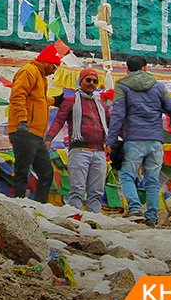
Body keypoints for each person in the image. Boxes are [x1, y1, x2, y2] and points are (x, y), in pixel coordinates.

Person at [106, 55, 171, 227]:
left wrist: (111, 140)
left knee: (127, 175)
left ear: (127, 69)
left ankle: (134, 209)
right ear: (146, 68)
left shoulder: (122, 86)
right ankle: (152, 216)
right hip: (155, 140)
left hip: (133, 139)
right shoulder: (158, 86)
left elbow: (118, 115)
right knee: (152, 180)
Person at [45, 67, 110, 213]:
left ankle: (94, 218)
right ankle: (75, 217)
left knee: (97, 191)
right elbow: (59, 121)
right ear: (80, 81)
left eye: (95, 81)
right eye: (88, 80)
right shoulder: (70, 101)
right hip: (79, 151)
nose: (91, 83)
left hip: (99, 152)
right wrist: (49, 138)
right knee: (77, 189)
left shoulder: (101, 105)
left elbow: (112, 125)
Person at [8, 43, 63, 202]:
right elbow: (18, 96)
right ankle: (18, 203)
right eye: (54, 67)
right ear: (46, 62)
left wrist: (54, 101)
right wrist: (22, 120)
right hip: (24, 130)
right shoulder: (29, 71)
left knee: (46, 173)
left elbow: (37, 100)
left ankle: (41, 206)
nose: (54, 71)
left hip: (37, 134)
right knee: (22, 171)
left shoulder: (40, 76)